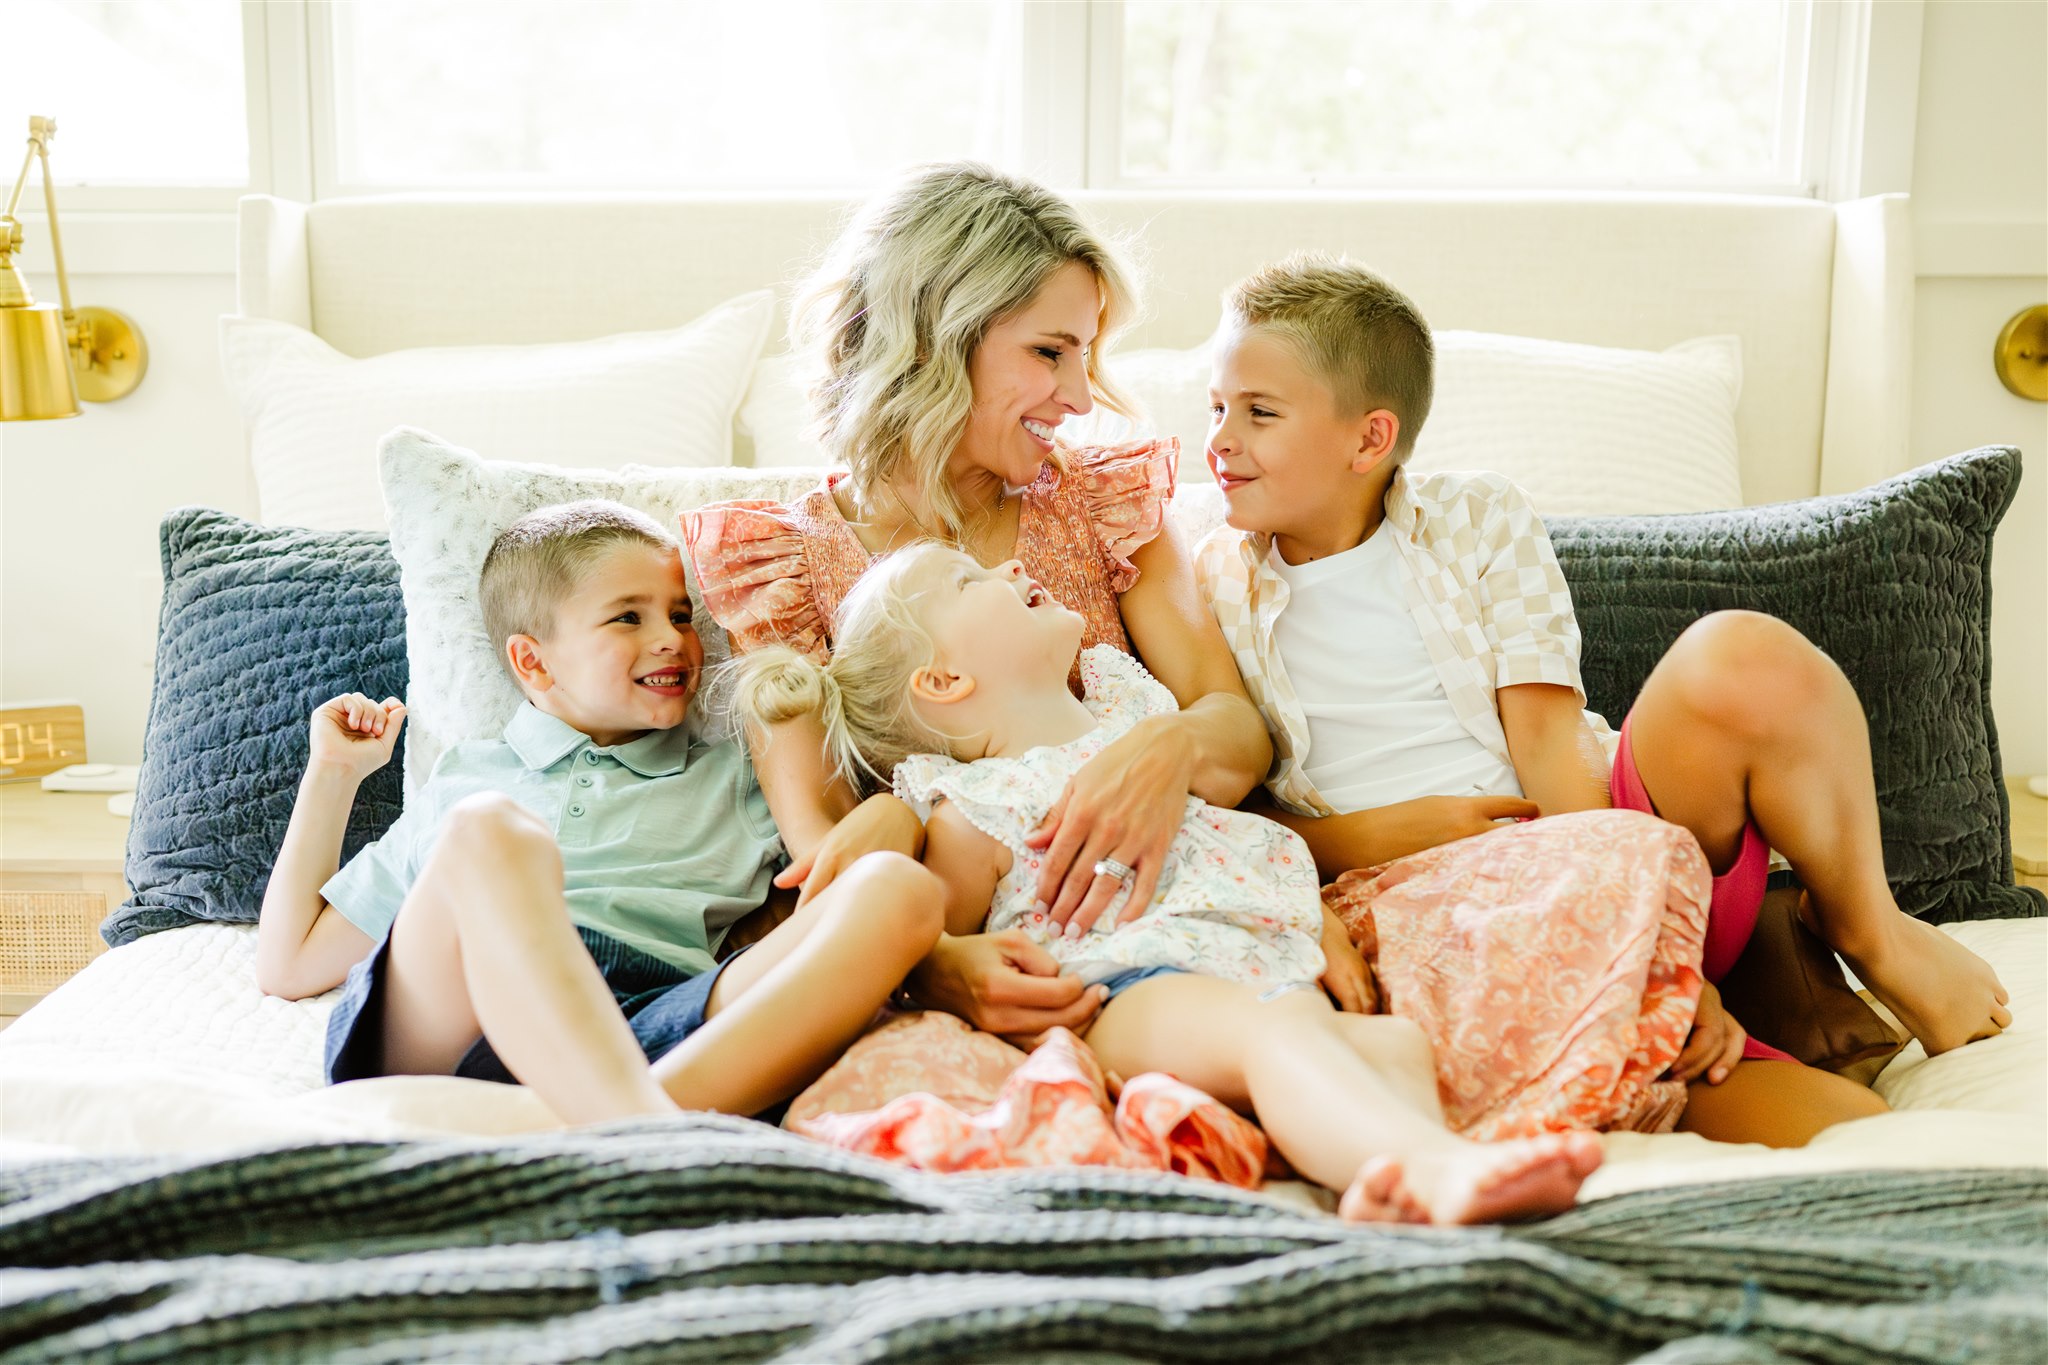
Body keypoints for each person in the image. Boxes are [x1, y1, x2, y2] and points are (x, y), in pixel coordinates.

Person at [1193, 253, 2012, 1146]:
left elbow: (1549, 742)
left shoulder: (1477, 519)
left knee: (1742, 654)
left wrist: (1634, 924)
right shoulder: (1208, 583)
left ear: (1368, 439)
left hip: (1594, 830)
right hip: (1432, 913)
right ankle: (1665, 1059)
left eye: (1258, 412)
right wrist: (1372, 838)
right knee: (1856, 1131)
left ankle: (1865, 925)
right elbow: (1232, 814)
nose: (1221, 438)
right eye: (1216, 408)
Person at [724, 542, 1612, 1223]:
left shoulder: (1136, 711)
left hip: (1263, 956)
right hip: (1133, 984)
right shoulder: (972, 802)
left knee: (1393, 1047)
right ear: (945, 680)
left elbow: (1233, 830)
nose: (1004, 564)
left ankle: (1391, 1189)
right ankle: (1434, 1167)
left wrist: (1312, 922)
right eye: (968, 582)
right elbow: (929, 943)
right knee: (1274, 1037)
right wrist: (959, 954)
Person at [683, 162, 1272, 1044]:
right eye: (1049, 351)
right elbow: (826, 856)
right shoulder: (783, 569)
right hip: (963, 962)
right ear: (930, 341)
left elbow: (1237, 728)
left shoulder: (1103, 508)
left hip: (1172, 931)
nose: (1079, 397)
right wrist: (939, 970)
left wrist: (1164, 748)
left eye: (1085, 354)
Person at [256, 500, 944, 1125]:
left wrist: (900, 820)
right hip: (458, 1020)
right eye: (628, 616)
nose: (673, 637)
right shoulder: (470, 777)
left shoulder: (736, 774)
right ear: (534, 662)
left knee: (901, 892)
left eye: (680, 613)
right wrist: (334, 775)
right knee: (489, 830)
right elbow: (290, 964)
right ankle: (641, 1129)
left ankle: (596, 1120)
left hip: (651, 1020)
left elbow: (839, 857)